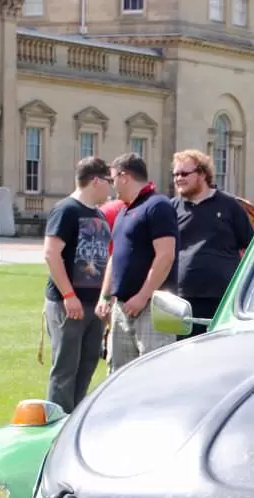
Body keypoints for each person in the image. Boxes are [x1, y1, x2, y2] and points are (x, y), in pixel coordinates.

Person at [42, 156, 113, 412]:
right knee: (65, 368)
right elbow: (51, 253)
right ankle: (56, 426)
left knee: (87, 365)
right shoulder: (67, 209)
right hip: (67, 303)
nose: (111, 186)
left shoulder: (99, 214)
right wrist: (68, 294)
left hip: (93, 305)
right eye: (108, 181)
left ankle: (72, 419)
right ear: (95, 180)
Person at [98, 152, 178, 371]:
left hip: (152, 307)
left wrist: (143, 296)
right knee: (118, 374)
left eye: (113, 178)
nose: (112, 185)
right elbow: (116, 256)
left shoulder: (157, 206)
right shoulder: (124, 210)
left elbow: (165, 255)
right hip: (122, 307)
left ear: (125, 176)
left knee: (152, 372)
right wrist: (105, 295)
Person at [172, 148, 254, 334]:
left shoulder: (229, 205)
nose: (178, 179)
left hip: (222, 298)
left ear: (202, 174)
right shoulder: (172, 208)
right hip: (182, 299)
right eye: (175, 174)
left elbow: (250, 246)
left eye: (184, 173)